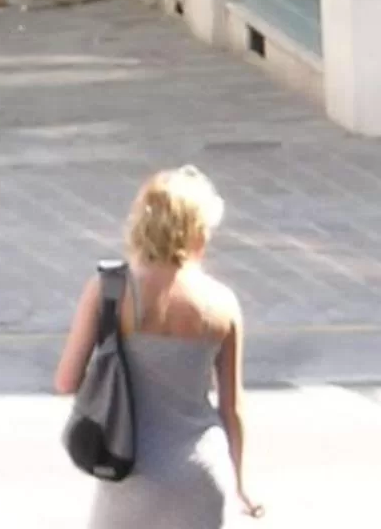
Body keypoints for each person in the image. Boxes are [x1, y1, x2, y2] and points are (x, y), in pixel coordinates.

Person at [55, 165, 262, 523]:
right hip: (202, 472)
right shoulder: (222, 302)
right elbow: (233, 408)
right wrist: (241, 482)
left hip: (130, 469)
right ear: (198, 229)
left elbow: (66, 381)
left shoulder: (109, 290)